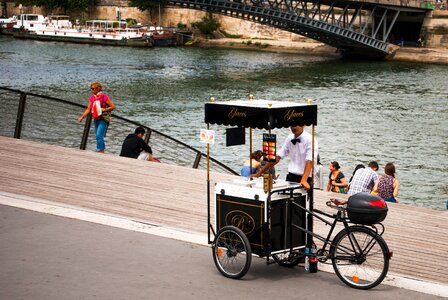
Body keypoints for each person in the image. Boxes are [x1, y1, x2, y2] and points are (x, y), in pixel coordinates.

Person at [252, 125, 318, 190]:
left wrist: (304, 180)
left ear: (303, 125)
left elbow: (310, 160)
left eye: (296, 125)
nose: (293, 127)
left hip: (306, 178)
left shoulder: (310, 139)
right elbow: (277, 157)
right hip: (291, 177)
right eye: (292, 125)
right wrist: (259, 173)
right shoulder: (289, 138)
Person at [78, 82, 115, 153]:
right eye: (91, 88)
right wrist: (82, 117)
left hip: (103, 119)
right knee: (98, 136)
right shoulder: (92, 98)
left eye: (93, 88)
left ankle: (100, 150)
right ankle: (100, 150)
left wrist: (105, 109)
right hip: (96, 119)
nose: (92, 90)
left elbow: (113, 106)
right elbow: (88, 109)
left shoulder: (104, 97)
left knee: (99, 135)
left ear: (98, 89)